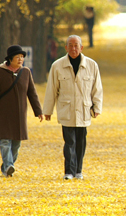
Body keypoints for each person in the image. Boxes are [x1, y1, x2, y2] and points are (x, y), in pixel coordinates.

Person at [43, 35, 103, 180]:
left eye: (76, 45)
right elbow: (51, 89)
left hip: (84, 110)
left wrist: (97, 107)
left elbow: (97, 89)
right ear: (66, 48)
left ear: (81, 47)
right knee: (69, 142)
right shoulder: (57, 66)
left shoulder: (91, 65)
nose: (73, 48)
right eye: (70, 45)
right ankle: (69, 172)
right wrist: (48, 110)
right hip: (66, 110)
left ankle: (78, 171)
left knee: (80, 143)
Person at [0, 45, 43, 177]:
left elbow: (32, 93)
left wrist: (38, 111)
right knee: (4, 141)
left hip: (19, 115)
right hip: (3, 113)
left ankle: (7, 167)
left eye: (22, 57)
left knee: (16, 144)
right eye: (17, 57)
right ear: (10, 58)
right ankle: (9, 166)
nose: (20, 59)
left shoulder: (25, 72)